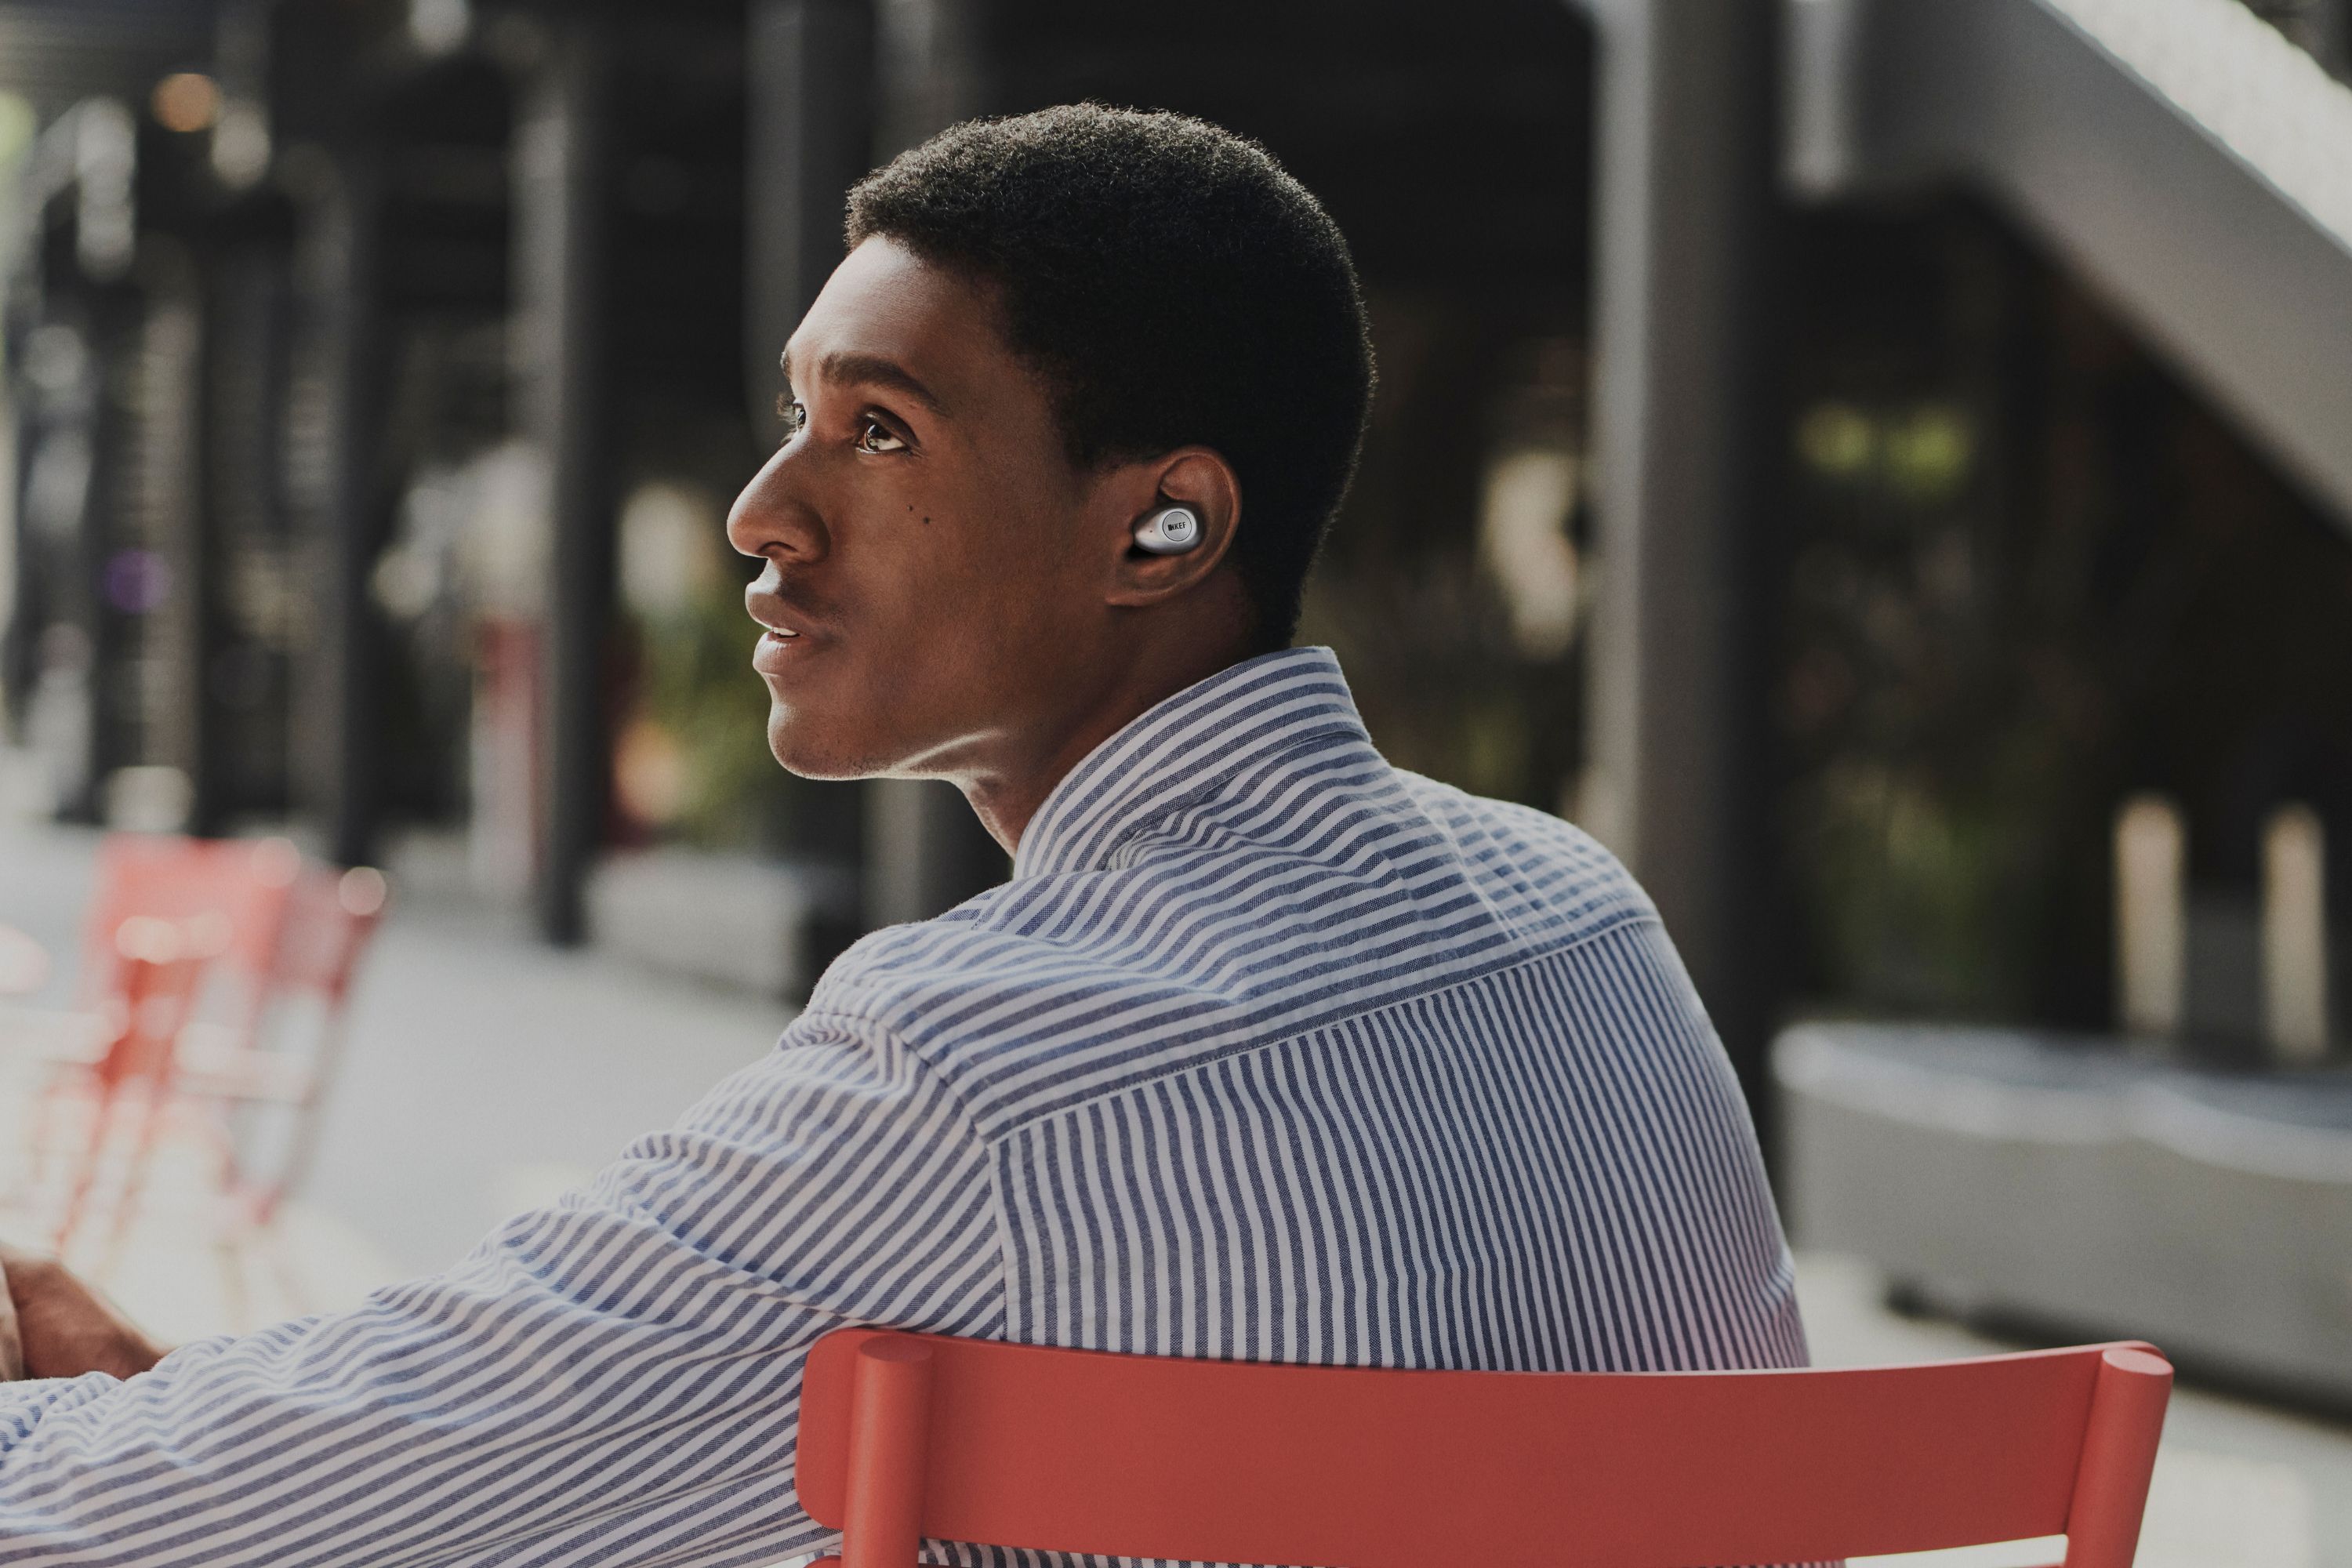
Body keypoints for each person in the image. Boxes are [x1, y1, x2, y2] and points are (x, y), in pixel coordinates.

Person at [0, 105, 1806, 1565]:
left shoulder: (979, 1071)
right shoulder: (1582, 915)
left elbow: (167, 1529)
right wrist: (190, 1407)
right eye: (801, 413)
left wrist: (72, 1423)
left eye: (878, 430)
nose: (761, 511)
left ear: (1161, 531)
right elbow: (459, 1448)